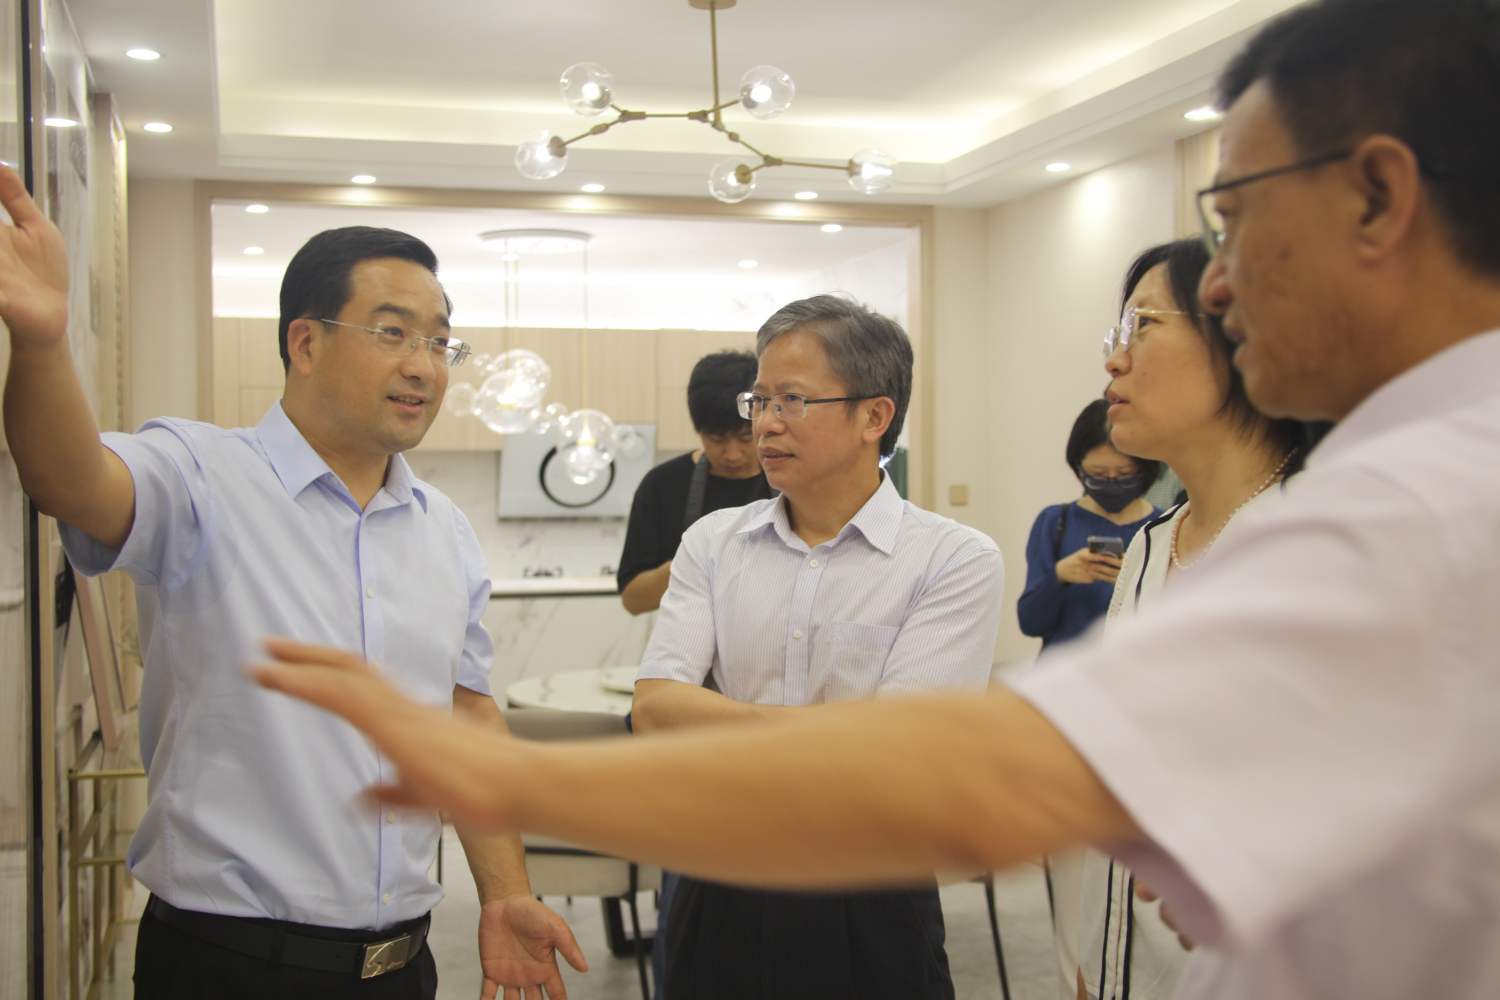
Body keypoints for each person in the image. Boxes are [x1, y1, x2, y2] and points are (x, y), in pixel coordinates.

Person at [254, 2, 1500, 998]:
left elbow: (989, 777)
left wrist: (512, 779)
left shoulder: (1427, 506)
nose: (1217, 286)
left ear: (1378, 197)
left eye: (1231, 216)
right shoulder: (1413, 482)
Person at [0, 209, 585, 999]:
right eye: (393, 333)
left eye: (440, 342)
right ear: (305, 343)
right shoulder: (200, 475)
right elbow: (69, 482)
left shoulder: (444, 530)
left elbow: (468, 719)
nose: (424, 366)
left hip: (401, 968)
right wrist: (41, 345)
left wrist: (506, 891)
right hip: (230, 968)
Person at [630, 295, 1004, 999]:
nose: (766, 423)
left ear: (874, 416)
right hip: (717, 878)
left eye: (793, 401)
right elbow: (653, 710)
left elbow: (897, 754)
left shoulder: (952, 559)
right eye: (760, 400)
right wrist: (832, 737)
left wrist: (726, 727)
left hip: (869, 889)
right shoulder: (713, 543)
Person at [1054, 237, 1308, 1000]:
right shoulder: (1149, 544)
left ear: (1242, 335)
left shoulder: (1315, 541)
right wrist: (1090, 962)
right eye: (1116, 335)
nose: (1114, 362)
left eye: (1143, 328)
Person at [617, 349, 770, 616]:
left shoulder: (794, 481)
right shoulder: (661, 485)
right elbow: (633, 600)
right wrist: (692, 559)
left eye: (746, 437)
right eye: (717, 439)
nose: (733, 454)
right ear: (698, 431)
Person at [1017, 399, 1158, 651]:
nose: (1112, 481)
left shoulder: (1162, 527)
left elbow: (1177, 625)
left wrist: (1134, 586)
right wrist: (1059, 576)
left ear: (1145, 467)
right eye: (1099, 474)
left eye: (1124, 473)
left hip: (1136, 668)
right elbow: (1030, 623)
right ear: (1079, 468)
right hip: (1064, 670)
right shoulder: (1054, 522)